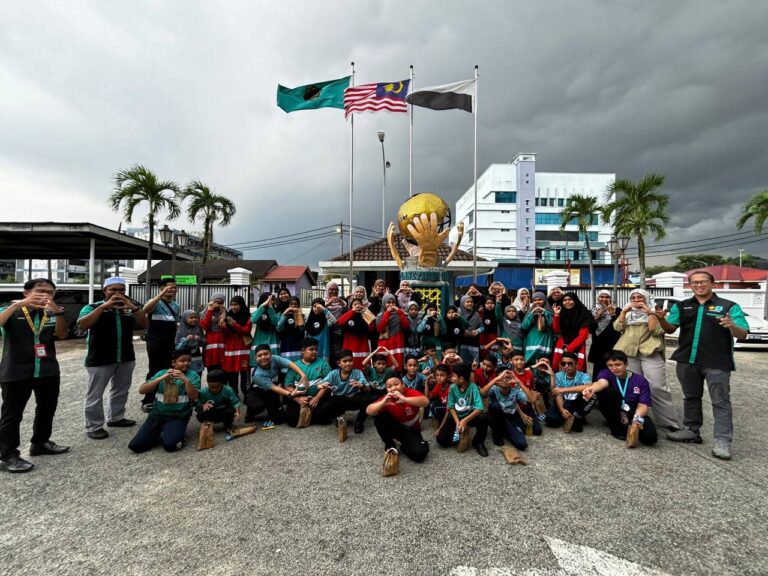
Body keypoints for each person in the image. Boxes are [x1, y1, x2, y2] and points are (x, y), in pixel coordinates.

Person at [658, 270, 748, 460]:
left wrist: (732, 325)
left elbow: (743, 334)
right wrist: (660, 319)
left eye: (703, 282)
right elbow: (670, 328)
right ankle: (691, 430)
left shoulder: (729, 306)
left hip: (717, 362)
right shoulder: (682, 306)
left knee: (720, 401)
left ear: (712, 283)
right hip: (687, 360)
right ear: (690, 285)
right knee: (690, 397)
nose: (699, 285)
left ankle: (722, 440)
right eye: (694, 283)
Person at [0, 278, 70, 473]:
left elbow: (63, 335)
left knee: (47, 408)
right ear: (26, 292)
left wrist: (57, 312)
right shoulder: (12, 310)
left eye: (50, 292)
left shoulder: (52, 312)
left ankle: (40, 443)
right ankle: (8, 455)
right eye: (41, 290)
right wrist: (20, 304)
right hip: (16, 370)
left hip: (47, 370)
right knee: (12, 414)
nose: (46, 295)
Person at [77, 276, 148, 440]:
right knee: (95, 393)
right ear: (104, 291)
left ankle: (116, 417)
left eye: (121, 290)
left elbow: (145, 324)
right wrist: (104, 307)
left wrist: (134, 308)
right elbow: (82, 325)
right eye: (113, 290)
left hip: (125, 355)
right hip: (100, 357)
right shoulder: (92, 307)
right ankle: (94, 426)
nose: (118, 293)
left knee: (121, 389)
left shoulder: (129, 308)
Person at [613, 289, 681, 431]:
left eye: (640, 298)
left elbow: (656, 331)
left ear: (646, 298)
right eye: (634, 298)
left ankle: (668, 421)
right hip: (629, 351)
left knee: (657, 386)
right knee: (632, 386)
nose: (637, 300)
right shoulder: (628, 313)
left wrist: (650, 313)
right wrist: (624, 312)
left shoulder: (654, 312)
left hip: (650, 351)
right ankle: (633, 416)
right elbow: (617, 327)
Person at [128, 349, 201, 453]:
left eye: (189, 360)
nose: (186, 363)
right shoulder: (163, 373)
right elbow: (142, 390)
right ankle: (158, 433)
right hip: (158, 414)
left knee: (171, 446)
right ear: (173, 362)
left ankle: (175, 434)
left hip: (178, 416)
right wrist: (160, 378)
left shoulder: (193, 375)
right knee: (135, 446)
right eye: (182, 360)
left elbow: (194, 396)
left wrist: (185, 380)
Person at [583, 350, 657, 446]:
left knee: (651, 438)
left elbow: (643, 404)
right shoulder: (606, 373)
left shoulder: (640, 380)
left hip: (632, 411)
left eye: (618, 365)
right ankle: (615, 426)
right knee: (606, 391)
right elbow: (601, 383)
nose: (614, 368)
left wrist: (637, 419)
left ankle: (628, 424)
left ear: (626, 364)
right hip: (613, 409)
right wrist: (592, 389)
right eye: (610, 365)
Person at [366, 376, 430, 467]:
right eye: (389, 386)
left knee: (419, 454)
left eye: (396, 384)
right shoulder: (387, 398)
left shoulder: (409, 392)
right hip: (396, 428)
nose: (393, 388)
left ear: (403, 384)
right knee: (379, 417)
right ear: (386, 389)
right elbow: (369, 411)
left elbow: (426, 402)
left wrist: (404, 399)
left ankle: (404, 444)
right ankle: (389, 443)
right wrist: (382, 403)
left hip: (411, 429)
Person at [141, 277, 180, 411]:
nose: (173, 290)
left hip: (170, 342)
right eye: (170, 287)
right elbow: (146, 309)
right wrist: (161, 295)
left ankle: (169, 398)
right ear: (161, 288)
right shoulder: (156, 303)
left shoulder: (175, 305)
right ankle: (148, 400)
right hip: (155, 343)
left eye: (175, 288)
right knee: (154, 370)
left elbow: (175, 324)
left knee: (171, 370)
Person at [246, 344, 308, 427]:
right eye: (259, 355)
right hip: (258, 391)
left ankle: (271, 409)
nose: (263, 357)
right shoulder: (256, 375)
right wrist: (290, 394)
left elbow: (289, 364)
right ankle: (250, 411)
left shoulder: (275, 358)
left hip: (271, 391)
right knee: (258, 406)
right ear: (256, 358)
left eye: (266, 354)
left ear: (271, 354)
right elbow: (274, 387)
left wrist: (303, 375)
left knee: (280, 420)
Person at [434, 363, 489, 456]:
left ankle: (478, 442)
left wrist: (465, 420)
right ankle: (456, 431)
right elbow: (450, 407)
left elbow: (479, 408)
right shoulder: (452, 387)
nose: (452, 378)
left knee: (484, 417)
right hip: (456, 416)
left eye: (454, 376)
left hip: (469, 417)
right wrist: (458, 422)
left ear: (461, 379)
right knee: (441, 441)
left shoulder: (473, 387)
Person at [479, 369, 539, 450]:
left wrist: (519, 382)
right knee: (495, 406)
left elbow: (532, 400)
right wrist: (495, 379)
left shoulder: (515, 391)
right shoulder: (494, 388)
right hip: (496, 417)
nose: (505, 380)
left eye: (508, 377)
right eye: (502, 377)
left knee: (522, 444)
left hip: (510, 418)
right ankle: (497, 435)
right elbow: (482, 393)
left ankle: (504, 431)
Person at [320, 349, 372, 434]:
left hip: (353, 398)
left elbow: (368, 389)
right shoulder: (333, 373)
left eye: (350, 361)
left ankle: (359, 421)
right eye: (345, 361)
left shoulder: (357, 372)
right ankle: (340, 416)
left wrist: (361, 385)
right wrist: (322, 385)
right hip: (340, 400)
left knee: (369, 399)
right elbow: (320, 384)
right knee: (326, 406)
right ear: (339, 363)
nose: (348, 363)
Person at [284, 338, 333, 427]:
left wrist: (317, 398)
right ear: (303, 351)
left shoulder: (323, 363)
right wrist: (298, 399)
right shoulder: (295, 365)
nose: (314, 352)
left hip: (318, 397)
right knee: (291, 420)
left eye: (316, 349)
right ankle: (310, 414)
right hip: (299, 398)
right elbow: (288, 385)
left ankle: (311, 415)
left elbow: (328, 382)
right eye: (311, 349)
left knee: (324, 417)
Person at [545, 352, 595, 432]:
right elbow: (558, 394)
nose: (566, 366)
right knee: (550, 420)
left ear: (577, 364)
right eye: (563, 363)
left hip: (576, 404)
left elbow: (589, 387)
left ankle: (577, 417)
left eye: (570, 364)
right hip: (562, 402)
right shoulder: (558, 375)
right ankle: (570, 418)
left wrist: (564, 389)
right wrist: (562, 410)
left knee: (592, 395)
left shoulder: (583, 375)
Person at [551, 292, 595, 372]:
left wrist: (568, 348)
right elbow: (556, 330)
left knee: (576, 370)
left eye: (570, 299)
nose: (567, 302)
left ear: (575, 300)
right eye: (565, 300)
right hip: (562, 344)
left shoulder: (583, 313)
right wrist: (556, 315)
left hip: (577, 347)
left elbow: (583, 336)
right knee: (561, 371)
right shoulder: (562, 312)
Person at [220, 295, 253, 399]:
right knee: (232, 374)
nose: (234, 307)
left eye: (236, 304)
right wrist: (223, 327)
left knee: (245, 374)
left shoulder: (247, 316)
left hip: (244, 349)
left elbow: (246, 330)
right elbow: (225, 334)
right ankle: (234, 395)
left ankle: (247, 394)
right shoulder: (227, 316)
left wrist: (234, 324)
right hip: (231, 349)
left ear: (241, 305)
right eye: (232, 305)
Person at [588, 290, 621, 381]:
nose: (604, 299)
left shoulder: (617, 310)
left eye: (607, 297)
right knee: (598, 370)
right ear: (597, 299)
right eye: (601, 297)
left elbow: (620, 327)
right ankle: (597, 391)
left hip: (612, 344)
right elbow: (590, 329)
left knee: (613, 367)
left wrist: (612, 314)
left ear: (611, 299)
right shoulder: (592, 311)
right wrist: (598, 315)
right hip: (598, 345)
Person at [195, 368, 240, 433]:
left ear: (222, 383)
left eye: (218, 387)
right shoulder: (203, 392)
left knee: (230, 411)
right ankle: (207, 427)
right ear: (207, 383)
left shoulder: (228, 390)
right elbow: (197, 406)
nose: (214, 390)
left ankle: (227, 425)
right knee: (202, 412)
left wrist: (237, 412)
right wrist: (203, 405)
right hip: (211, 414)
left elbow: (236, 402)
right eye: (212, 387)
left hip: (223, 412)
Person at [336, 297, 374, 370]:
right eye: (355, 304)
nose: (357, 306)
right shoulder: (348, 315)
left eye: (359, 304)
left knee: (363, 368)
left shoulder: (365, 315)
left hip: (362, 347)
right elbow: (339, 322)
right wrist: (352, 311)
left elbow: (372, 328)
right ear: (351, 306)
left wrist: (365, 312)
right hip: (349, 345)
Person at [376, 294, 409, 369]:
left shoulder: (399, 314)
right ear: (384, 303)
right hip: (385, 344)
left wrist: (400, 312)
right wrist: (387, 314)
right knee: (385, 366)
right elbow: (381, 329)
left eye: (393, 302)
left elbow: (406, 326)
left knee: (397, 365)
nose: (391, 305)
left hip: (397, 343)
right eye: (388, 302)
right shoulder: (379, 316)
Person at [521, 292, 553, 366]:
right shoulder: (530, 312)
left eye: (540, 299)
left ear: (544, 300)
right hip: (532, 341)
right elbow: (524, 327)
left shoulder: (549, 311)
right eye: (535, 300)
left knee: (543, 363)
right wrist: (532, 313)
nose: (537, 302)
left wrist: (545, 312)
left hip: (544, 340)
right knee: (530, 363)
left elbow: (552, 325)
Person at [199, 292, 227, 369]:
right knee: (211, 366)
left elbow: (227, 329)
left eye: (221, 303)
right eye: (216, 302)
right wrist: (210, 310)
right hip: (210, 340)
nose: (218, 305)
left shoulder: (225, 312)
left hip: (222, 341)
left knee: (222, 367)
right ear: (211, 301)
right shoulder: (204, 312)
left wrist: (223, 317)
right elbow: (205, 326)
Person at [250, 292, 280, 362]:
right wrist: (262, 307)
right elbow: (254, 320)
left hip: (272, 340)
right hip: (259, 340)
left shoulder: (276, 312)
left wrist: (270, 308)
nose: (269, 302)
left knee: (272, 363)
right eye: (267, 300)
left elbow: (275, 322)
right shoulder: (258, 311)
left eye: (271, 300)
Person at [304, 298, 336, 362]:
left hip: (324, 352)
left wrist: (323, 309)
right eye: (314, 306)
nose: (317, 308)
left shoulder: (326, 320)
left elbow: (334, 321)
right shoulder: (309, 321)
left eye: (319, 306)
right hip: (310, 352)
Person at [277, 296, 305, 365]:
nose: (293, 306)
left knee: (298, 366)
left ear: (299, 305)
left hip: (297, 345)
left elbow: (302, 331)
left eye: (296, 304)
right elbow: (278, 327)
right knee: (286, 366)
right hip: (286, 344)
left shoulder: (302, 316)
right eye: (291, 304)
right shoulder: (284, 315)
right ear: (288, 305)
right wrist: (284, 315)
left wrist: (298, 316)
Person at [176, 310, 204, 377]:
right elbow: (177, 347)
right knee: (185, 378)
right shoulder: (180, 330)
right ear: (185, 318)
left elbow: (204, 343)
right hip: (184, 359)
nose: (194, 319)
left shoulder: (198, 328)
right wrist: (186, 340)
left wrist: (199, 339)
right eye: (191, 318)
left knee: (197, 377)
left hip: (197, 358)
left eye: (195, 317)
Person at [458, 295, 484, 365]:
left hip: (473, 342)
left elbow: (482, 327)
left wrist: (477, 331)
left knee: (474, 363)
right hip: (461, 342)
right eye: (467, 302)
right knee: (461, 362)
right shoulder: (458, 313)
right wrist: (462, 331)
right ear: (462, 302)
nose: (470, 303)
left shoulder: (476, 314)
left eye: (471, 302)